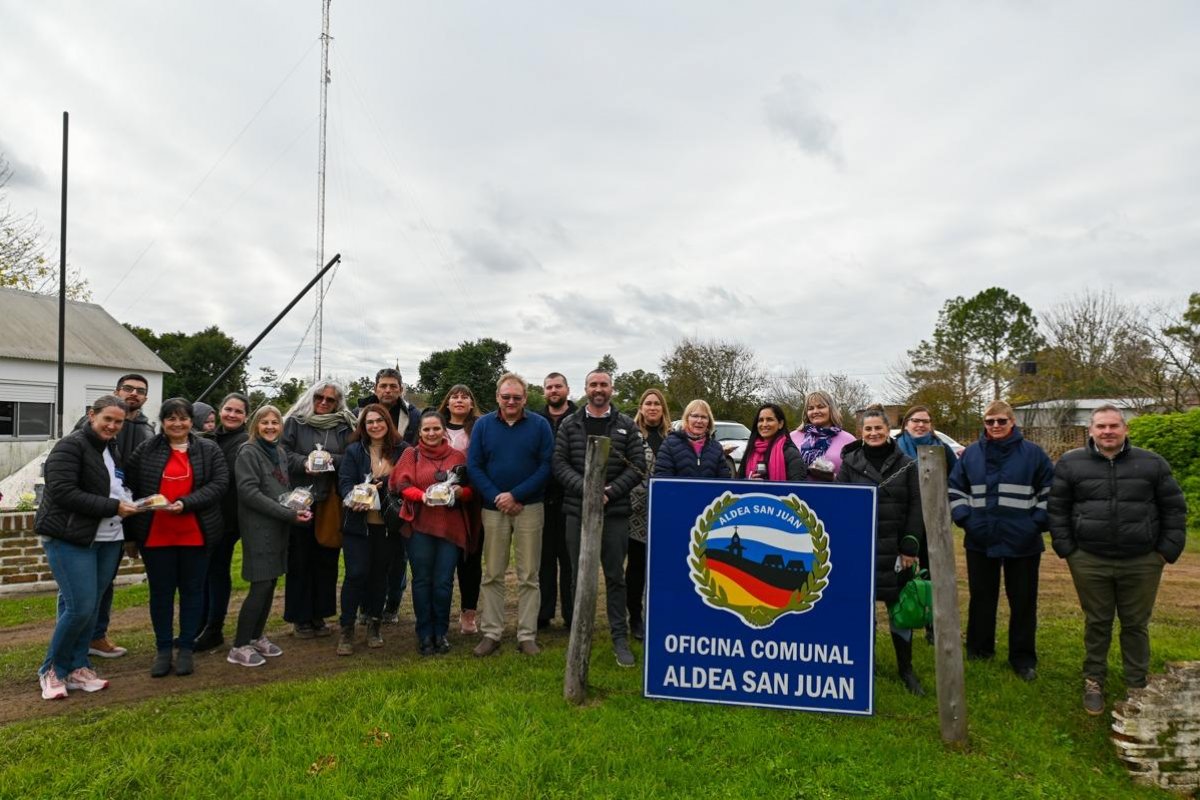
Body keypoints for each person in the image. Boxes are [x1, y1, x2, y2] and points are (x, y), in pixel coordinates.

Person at [1048, 405, 1188, 715]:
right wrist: (1068, 550)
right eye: (1101, 426)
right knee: (1097, 621)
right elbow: (1057, 509)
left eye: (1113, 426)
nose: (1107, 431)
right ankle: (1094, 680)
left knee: (1136, 624)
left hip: (1142, 560)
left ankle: (1137, 685)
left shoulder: (1152, 464)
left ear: (1125, 429)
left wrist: (1166, 550)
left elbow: (1174, 508)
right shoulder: (1071, 463)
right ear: (1091, 431)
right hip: (1089, 559)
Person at [34, 395, 139, 700]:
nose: (112, 426)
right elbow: (63, 492)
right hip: (71, 538)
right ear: (92, 415)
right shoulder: (70, 446)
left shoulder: (111, 448)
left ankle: (78, 667)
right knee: (79, 608)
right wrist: (113, 507)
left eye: (119, 422)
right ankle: (52, 670)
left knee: (88, 608)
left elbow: (116, 486)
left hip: (108, 538)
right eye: (107, 419)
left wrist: (131, 503)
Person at [122, 398, 229, 677]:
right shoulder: (146, 450)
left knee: (193, 592)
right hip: (156, 534)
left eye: (183, 418)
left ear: (191, 421)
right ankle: (163, 649)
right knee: (161, 594)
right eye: (171, 418)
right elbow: (129, 490)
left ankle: (185, 649)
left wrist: (186, 502)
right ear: (162, 421)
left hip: (195, 532)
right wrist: (130, 536)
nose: (177, 424)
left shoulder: (208, 449)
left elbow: (219, 484)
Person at [948, 400, 1054, 681]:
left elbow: (1050, 491)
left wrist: (1036, 523)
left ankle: (1022, 658)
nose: (995, 426)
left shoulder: (1033, 454)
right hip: (980, 537)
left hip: (1024, 540)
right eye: (989, 421)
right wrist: (965, 519)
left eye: (1001, 421)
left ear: (1012, 422)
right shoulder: (970, 454)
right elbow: (955, 489)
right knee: (981, 597)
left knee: (1023, 601)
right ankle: (979, 651)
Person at [554, 369, 647, 667]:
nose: (598, 389)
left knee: (615, 577)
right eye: (593, 384)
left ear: (612, 389)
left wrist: (608, 492)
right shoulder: (570, 424)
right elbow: (559, 463)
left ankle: (620, 638)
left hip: (614, 512)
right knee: (577, 576)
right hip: (577, 510)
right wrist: (588, 490)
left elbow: (637, 467)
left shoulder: (626, 426)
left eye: (603, 384)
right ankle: (579, 631)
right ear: (585, 388)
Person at [837, 406, 927, 695]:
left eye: (878, 428)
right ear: (861, 432)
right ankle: (867, 666)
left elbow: (917, 505)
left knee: (900, 611)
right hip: (863, 551)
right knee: (864, 615)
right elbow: (842, 506)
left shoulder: (907, 463)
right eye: (868, 429)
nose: (874, 433)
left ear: (889, 430)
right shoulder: (849, 464)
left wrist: (911, 543)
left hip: (898, 550)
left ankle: (906, 668)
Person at [466, 373, 554, 657]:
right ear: (497, 397)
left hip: (530, 507)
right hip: (493, 509)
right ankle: (492, 633)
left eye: (517, 397)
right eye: (506, 397)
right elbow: (475, 466)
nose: (511, 401)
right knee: (493, 573)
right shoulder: (483, 425)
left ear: (525, 398)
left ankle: (527, 635)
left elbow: (546, 466)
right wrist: (498, 496)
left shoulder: (540, 425)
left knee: (529, 574)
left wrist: (516, 495)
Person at [76, 374, 155, 660]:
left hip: (122, 520)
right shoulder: (86, 430)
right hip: (87, 521)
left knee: (105, 583)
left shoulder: (146, 431)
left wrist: (133, 533)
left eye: (140, 391)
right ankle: (75, 644)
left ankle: (96, 636)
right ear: (116, 391)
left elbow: (136, 483)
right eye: (128, 389)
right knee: (82, 591)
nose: (134, 394)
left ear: (145, 398)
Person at [228, 405, 312, 667]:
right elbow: (249, 493)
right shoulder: (248, 451)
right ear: (255, 425)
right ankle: (239, 645)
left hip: (278, 526)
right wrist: (287, 514)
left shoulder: (278, 451)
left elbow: (282, 487)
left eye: (275, 422)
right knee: (260, 584)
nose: (270, 427)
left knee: (271, 582)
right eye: (264, 422)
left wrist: (298, 503)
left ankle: (256, 636)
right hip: (259, 528)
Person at [390, 410, 474, 655]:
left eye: (436, 428)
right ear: (420, 432)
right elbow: (400, 485)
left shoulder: (458, 456)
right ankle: (424, 633)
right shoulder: (411, 454)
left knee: (444, 583)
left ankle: (441, 632)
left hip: (450, 527)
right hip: (420, 526)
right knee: (423, 581)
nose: (431, 433)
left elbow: (469, 490)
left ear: (443, 430)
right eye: (426, 429)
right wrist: (422, 496)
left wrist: (458, 493)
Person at [282, 382, 356, 638]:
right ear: (311, 397)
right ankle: (300, 617)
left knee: (326, 558)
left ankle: (320, 615)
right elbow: (281, 454)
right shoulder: (295, 422)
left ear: (338, 403)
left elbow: (352, 457)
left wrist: (328, 461)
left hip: (329, 502)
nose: (324, 402)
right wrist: (304, 463)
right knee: (300, 560)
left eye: (330, 400)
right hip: (299, 500)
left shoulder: (344, 425)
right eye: (319, 397)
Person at [336, 404, 408, 654]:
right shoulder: (355, 450)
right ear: (363, 426)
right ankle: (346, 629)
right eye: (369, 422)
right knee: (355, 574)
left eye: (379, 421)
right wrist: (354, 494)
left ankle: (374, 624)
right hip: (358, 524)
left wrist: (385, 483)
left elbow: (407, 479)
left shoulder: (402, 451)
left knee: (380, 576)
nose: (375, 425)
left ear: (388, 423)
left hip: (387, 525)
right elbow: (344, 482)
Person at [356, 368, 420, 623]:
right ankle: (367, 605)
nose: (388, 390)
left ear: (401, 388)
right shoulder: (360, 413)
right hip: (367, 491)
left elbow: (414, 450)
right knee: (368, 554)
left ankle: (392, 606)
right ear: (375, 388)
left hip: (399, 492)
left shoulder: (412, 415)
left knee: (397, 555)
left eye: (393, 386)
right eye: (383, 385)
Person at [894, 404, 958, 644]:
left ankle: (934, 624)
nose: (920, 425)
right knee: (905, 572)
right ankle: (907, 618)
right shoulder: (897, 447)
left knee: (935, 572)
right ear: (906, 424)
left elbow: (957, 477)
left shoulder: (942, 448)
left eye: (925, 421)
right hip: (905, 519)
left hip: (935, 519)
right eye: (915, 420)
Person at [195, 392, 250, 652]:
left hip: (228, 518)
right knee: (203, 573)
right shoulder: (210, 437)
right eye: (228, 409)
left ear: (246, 416)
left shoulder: (245, 442)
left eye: (238, 411)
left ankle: (213, 628)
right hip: (204, 516)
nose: (232, 415)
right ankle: (199, 623)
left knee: (217, 572)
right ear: (220, 411)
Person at [436, 385, 484, 634]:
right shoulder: (436, 425)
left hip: (471, 502)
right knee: (442, 563)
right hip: (440, 503)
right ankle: (438, 614)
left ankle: (468, 614)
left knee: (470, 561)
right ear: (447, 401)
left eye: (465, 396)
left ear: (471, 403)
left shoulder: (479, 428)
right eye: (454, 395)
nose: (459, 400)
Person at [626, 387, 671, 641]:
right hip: (636, 512)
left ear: (663, 408)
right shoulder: (632, 436)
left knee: (661, 568)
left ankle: (660, 615)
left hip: (664, 511)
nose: (652, 407)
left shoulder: (673, 437)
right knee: (636, 567)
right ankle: (635, 617)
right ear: (641, 408)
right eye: (648, 403)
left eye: (657, 404)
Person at [536, 372, 577, 631]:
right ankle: (543, 613)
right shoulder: (536, 419)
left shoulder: (579, 419)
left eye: (558, 386)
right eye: (549, 387)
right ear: (544, 391)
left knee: (571, 560)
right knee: (544, 560)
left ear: (567, 389)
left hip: (572, 498)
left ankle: (572, 614)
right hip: (542, 498)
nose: (554, 390)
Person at [654, 399, 732, 480]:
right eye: (695, 416)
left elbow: (724, 480)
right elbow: (662, 479)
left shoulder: (717, 448)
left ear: (709, 421)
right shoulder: (669, 444)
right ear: (687, 418)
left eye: (704, 417)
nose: (699, 421)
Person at [789, 390, 857, 479]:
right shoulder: (792, 437)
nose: (815, 411)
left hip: (833, 491)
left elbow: (856, 476)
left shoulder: (849, 440)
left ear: (831, 409)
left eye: (820, 407)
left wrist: (833, 477)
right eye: (810, 408)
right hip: (796, 491)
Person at [736, 403, 806, 481]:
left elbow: (798, 487)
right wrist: (749, 480)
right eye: (761, 420)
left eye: (769, 419)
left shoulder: (790, 452)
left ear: (780, 424)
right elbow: (738, 482)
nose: (764, 424)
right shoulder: (750, 450)